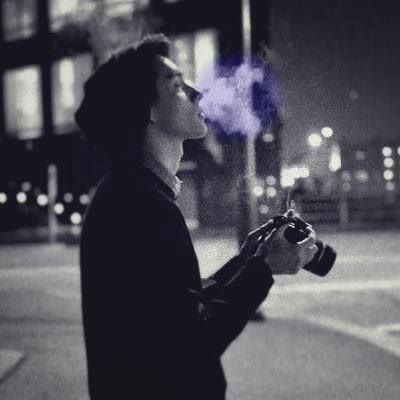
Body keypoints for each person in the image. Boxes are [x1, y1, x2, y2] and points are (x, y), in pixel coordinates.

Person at [75, 34, 318, 400]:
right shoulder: (142, 207)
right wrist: (266, 268)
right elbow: (193, 343)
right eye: (177, 86)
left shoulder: (131, 194)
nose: (197, 93)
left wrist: (246, 261)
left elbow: (177, 308)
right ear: (147, 109)